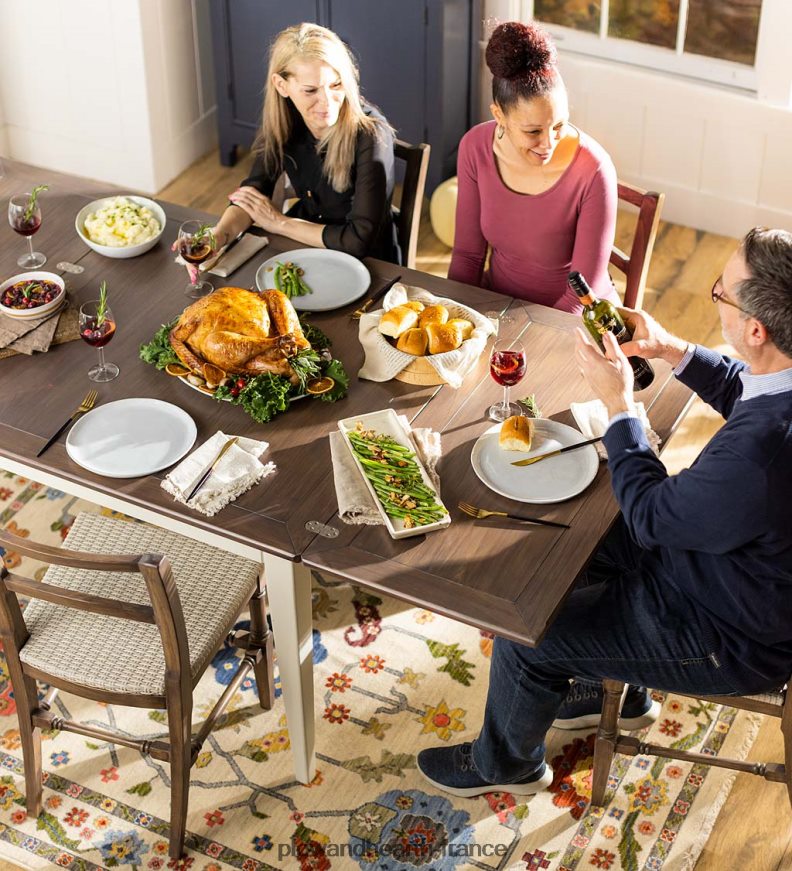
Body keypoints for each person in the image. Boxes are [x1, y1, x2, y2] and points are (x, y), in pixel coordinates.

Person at [418, 226, 792, 797]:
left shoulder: (759, 457)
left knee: (527, 635)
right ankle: (612, 688)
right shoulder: (781, 382)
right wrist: (672, 349)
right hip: (726, 568)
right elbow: (753, 388)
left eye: (721, 292)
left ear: (755, 329)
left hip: (726, 628)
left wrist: (620, 404)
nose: (715, 294)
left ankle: (505, 766)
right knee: (577, 532)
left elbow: (648, 515)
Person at [447, 21, 618, 313]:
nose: (549, 143)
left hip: (573, 321)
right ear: (499, 115)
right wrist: (455, 318)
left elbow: (581, 296)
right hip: (497, 308)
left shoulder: (594, 171)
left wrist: (519, 337)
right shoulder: (475, 148)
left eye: (559, 126)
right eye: (533, 131)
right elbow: (468, 257)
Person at [210, 23, 397, 264]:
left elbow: (358, 240)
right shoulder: (284, 122)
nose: (327, 103)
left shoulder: (371, 134)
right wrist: (217, 237)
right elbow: (253, 193)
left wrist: (279, 222)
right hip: (305, 246)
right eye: (310, 90)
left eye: (336, 85)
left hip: (369, 262)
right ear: (282, 85)